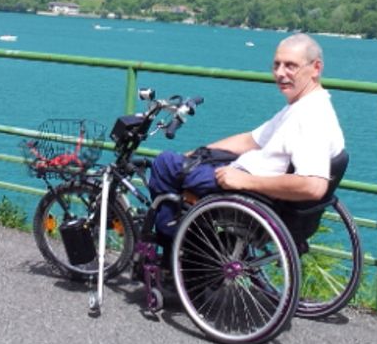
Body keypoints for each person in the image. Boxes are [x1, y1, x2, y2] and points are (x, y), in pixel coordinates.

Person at [147, 32, 345, 240]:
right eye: (276, 65)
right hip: (250, 184)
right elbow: (250, 141)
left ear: (316, 68)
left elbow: (313, 186)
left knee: (164, 164)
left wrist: (245, 181)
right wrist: (197, 154)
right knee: (184, 163)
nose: (280, 73)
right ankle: (199, 247)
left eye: (290, 66)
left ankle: (174, 251)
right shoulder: (302, 106)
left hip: (250, 194)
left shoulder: (311, 117)